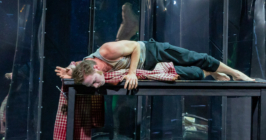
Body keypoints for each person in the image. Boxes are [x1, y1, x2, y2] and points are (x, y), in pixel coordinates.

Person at [55, 39, 254, 90]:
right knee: (189, 73)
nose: (96, 86)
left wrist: (132, 73)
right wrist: (70, 71)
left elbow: (135, 47)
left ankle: (236, 73)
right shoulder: (85, 69)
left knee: (195, 57)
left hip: (151, 51)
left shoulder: (107, 51)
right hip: (148, 68)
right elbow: (76, 67)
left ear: (97, 67)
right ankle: (212, 73)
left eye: (95, 82)